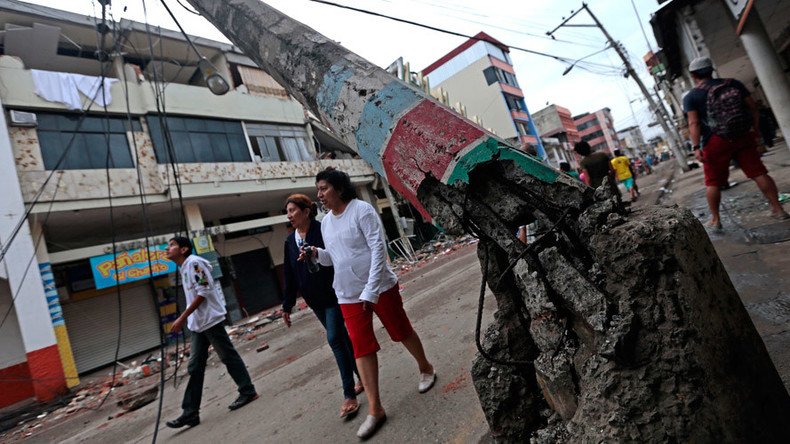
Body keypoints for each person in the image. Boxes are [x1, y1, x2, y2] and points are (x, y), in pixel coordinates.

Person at [304, 168, 436, 440]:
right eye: (317, 190)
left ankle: (425, 367)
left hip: (379, 287)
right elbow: (336, 258)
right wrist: (318, 254)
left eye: (324, 189)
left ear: (339, 188)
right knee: (361, 348)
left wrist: (371, 290)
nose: (319, 195)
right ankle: (375, 409)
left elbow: (378, 250)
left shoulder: (361, 210)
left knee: (400, 331)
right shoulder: (326, 222)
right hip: (348, 294)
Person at [282, 193, 363, 418]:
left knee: (335, 339)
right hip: (314, 300)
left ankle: (349, 394)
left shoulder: (323, 230)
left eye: (292, 210)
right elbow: (289, 275)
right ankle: (363, 377)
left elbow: (338, 257)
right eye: (287, 212)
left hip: (335, 294)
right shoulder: (290, 241)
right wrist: (287, 306)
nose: (289, 215)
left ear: (306, 211)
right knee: (343, 340)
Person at [683, 56, 788, 228]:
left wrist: (696, 147)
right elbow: (753, 108)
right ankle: (778, 209)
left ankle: (716, 220)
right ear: (711, 70)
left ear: (694, 75)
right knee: (758, 172)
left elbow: (693, 123)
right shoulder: (734, 84)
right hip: (742, 135)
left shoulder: (692, 96)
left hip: (715, 140)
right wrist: (754, 130)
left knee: (713, 182)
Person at [164, 236, 258, 429]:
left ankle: (248, 391)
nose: (167, 248)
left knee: (228, 356)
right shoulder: (184, 267)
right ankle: (190, 413)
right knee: (194, 367)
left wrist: (182, 317)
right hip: (198, 324)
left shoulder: (195, 263)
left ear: (183, 249)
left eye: (172, 245)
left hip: (210, 320)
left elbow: (204, 291)